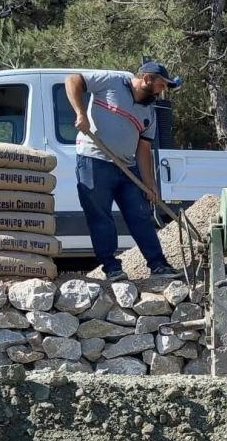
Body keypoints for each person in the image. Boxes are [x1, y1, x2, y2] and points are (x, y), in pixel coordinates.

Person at [65, 62, 181, 281]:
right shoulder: (112, 80)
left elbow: (144, 149)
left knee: (140, 215)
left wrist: (150, 185)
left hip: (127, 168)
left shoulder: (149, 111)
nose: (161, 91)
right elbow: (73, 80)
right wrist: (81, 114)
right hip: (94, 160)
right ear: (147, 79)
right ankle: (111, 268)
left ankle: (158, 264)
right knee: (100, 216)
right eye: (161, 85)